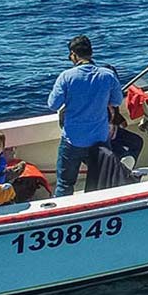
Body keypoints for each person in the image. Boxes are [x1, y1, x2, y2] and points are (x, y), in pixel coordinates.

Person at [47, 35, 123, 197]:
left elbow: (52, 104)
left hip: (72, 141)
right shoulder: (108, 75)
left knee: (65, 184)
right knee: (101, 182)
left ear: (73, 54)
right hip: (100, 139)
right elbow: (117, 100)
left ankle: (63, 213)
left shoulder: (66, 77)